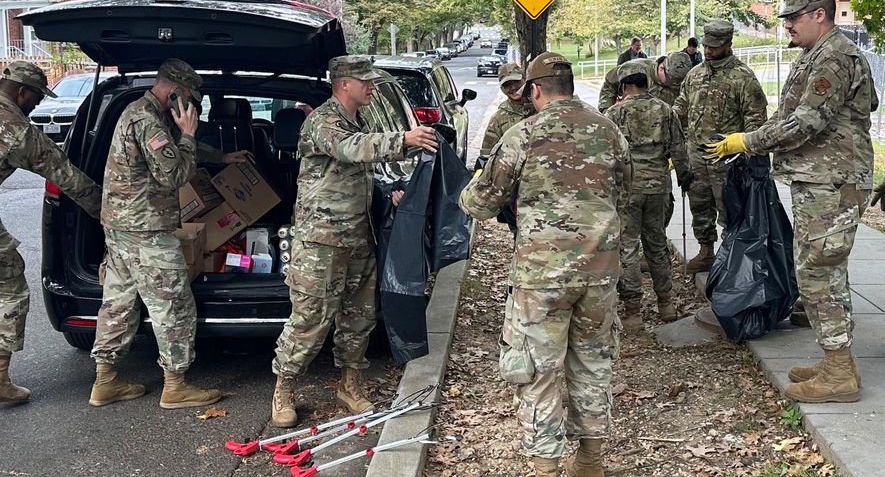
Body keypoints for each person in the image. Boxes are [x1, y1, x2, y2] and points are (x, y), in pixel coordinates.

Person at [705, 0, 878, 403]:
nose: (786, 27)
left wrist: (746, 141)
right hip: (821, 180)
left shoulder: (834, 57)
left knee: (819, 274)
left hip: (832, 183)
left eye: (792, 18)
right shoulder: (817, 55)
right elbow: (864, 103)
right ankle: (839, 361)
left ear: (819, 13)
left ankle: (839, 373)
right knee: (820, 270)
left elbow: (806, 123)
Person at [460, 52, 631, 477]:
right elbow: (624, 189)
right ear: (570, 85)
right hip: (599, 269)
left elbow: (481, 203)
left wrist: (467, 192)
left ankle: (546, 466)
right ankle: (590, 459)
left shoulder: (524, 133)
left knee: (538, 371)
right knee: (593, 361)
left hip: (541, 277)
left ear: (534, 90)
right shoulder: (608, 129)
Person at [270, 55, 438, 427]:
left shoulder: (356, 119)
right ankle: (284, 387)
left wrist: (392, 184)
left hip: (358, 234)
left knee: (358, 317)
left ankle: (350, 384)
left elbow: (362, 166)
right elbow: (351, 148)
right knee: (310, 319)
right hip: (321, 241)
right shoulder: (322, 121)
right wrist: (403, 139)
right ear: (344, 83)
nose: (372, 87)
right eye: (366, 82)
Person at [89, 58, 244, 409]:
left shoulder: (143, 113)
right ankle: (176, 386)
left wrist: (220, 157)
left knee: (118, 301)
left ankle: (105, 381)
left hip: (120, 226)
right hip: (146, 230)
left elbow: (171, 150)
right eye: (189, 96)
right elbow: (174, 173)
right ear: (175, 91)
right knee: (172, 304)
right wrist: (190, 132)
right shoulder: (148, 121)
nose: (192, 104)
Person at [0, 61, 102, 403]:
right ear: (21, 91)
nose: (37, 105)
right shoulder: (16, 129)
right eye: (36, 98)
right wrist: (109, 213)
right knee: (10, 288)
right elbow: (67, 176)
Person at [673, 20, 768, 273]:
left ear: (728, 44)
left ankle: (731, 257)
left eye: (715, 47)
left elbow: (756, 122)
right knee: (699, 206)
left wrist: (746, 151)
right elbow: (681, 108)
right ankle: (706, 251)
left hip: (726, 159)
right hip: (696, 157)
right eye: (706, 46)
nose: (709, 51)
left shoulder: (743, 77)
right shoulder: (695, 74)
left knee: (731, 209)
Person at [604, 60, 691, 328]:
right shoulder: (665, 110)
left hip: (628, 190)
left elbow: (607, 155)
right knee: (657, 244)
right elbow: (679, 150)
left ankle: (633, 311)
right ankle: (665, 303)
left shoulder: (615, 114)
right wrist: (685, 179)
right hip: (658, 187)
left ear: (625, 86)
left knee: (628, 247)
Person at [598, 51, 692, 114]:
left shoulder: (682, 79)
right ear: (662, 68)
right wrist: (607, 112)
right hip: (629, 121)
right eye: (672, 82)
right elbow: (609, 85)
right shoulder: (635, 68)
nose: (675, 85)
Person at [479, 63, 536, 157]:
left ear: (525, 80)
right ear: (502, 89)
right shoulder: (498, 119)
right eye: (507, 85)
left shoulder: (541, 106)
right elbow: (487, 154)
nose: (513, 87)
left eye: (516, 82)